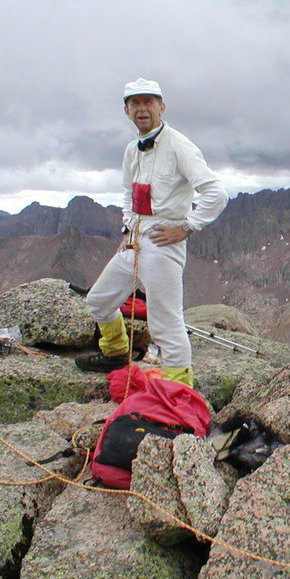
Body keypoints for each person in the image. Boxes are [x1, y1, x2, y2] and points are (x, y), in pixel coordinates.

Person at [75, 78, 228, 387]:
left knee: (166, 323)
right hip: (135, 240)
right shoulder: (133, 150)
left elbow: (217, 194)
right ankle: (116, 353)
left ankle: (178, 389)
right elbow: (127, 192)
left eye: (149, 102)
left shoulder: (179, 146)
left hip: (162, 242)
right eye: (135, 103)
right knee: (99, 301)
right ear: (126, 111)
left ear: (162, 106)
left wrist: (187, 227)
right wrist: (128, 226)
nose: (142, 108)